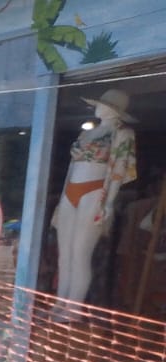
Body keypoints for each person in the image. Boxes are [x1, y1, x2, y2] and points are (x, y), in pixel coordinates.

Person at [53, 88, 138, 320]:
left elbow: (119, 168)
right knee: (65, 254)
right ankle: (60, 303)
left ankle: (73, 308)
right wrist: (62, 198)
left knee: (80, 252)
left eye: (102, 104)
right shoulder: (86, 133)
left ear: (113, 110)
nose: (97, 107)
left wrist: (109, 202)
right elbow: (71, 167)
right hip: (71, 191)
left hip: (95, 190)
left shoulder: (122, 133)